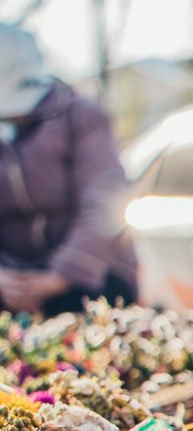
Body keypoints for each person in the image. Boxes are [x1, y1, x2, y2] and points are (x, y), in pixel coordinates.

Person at [0, 23, 137, 316]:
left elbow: (105, 206)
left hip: (89, 275)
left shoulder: (82, 118)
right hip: (11, 278)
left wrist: (58, 277)